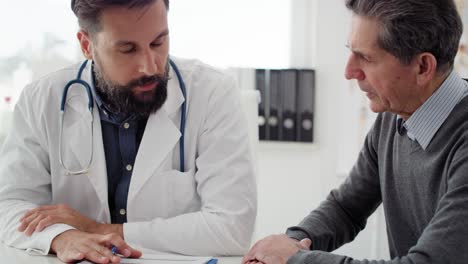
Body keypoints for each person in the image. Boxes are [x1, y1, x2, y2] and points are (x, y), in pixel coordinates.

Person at [0, 0, 257, 263]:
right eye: (127, 49)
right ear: (87, 45)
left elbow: (232, 228)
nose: (150, 66)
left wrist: (97, 229)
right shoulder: (41, 99)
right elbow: (9, 205)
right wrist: (61, 237)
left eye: (158, 43)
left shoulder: (213, 93)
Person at [243, 0, 468, 263]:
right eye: (351, 52)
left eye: (366, 58)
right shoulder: (393, 116)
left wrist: (296, 259)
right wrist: (291, 242)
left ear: (422, 67)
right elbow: (346, 208)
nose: (349, 72)